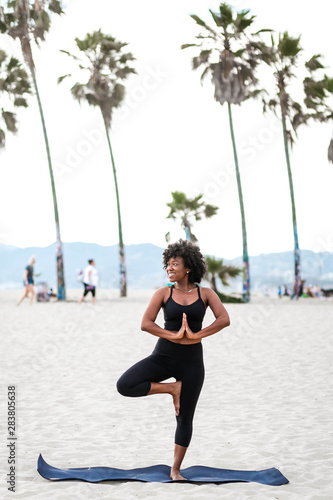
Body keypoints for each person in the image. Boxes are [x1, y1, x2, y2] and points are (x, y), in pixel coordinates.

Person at [116, 239, 230, 481]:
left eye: (174, 264)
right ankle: (171, 388)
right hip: (163, 356)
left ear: (188, 267)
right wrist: (174, 335)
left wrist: (197, 335)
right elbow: (146, 324)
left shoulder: (206, 294)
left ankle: (175, 470)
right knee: (125, 384)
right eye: (167, 264)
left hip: (192, 363)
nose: (169, 268)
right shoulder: (163, 293)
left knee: (185, 417)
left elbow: (223, 319)